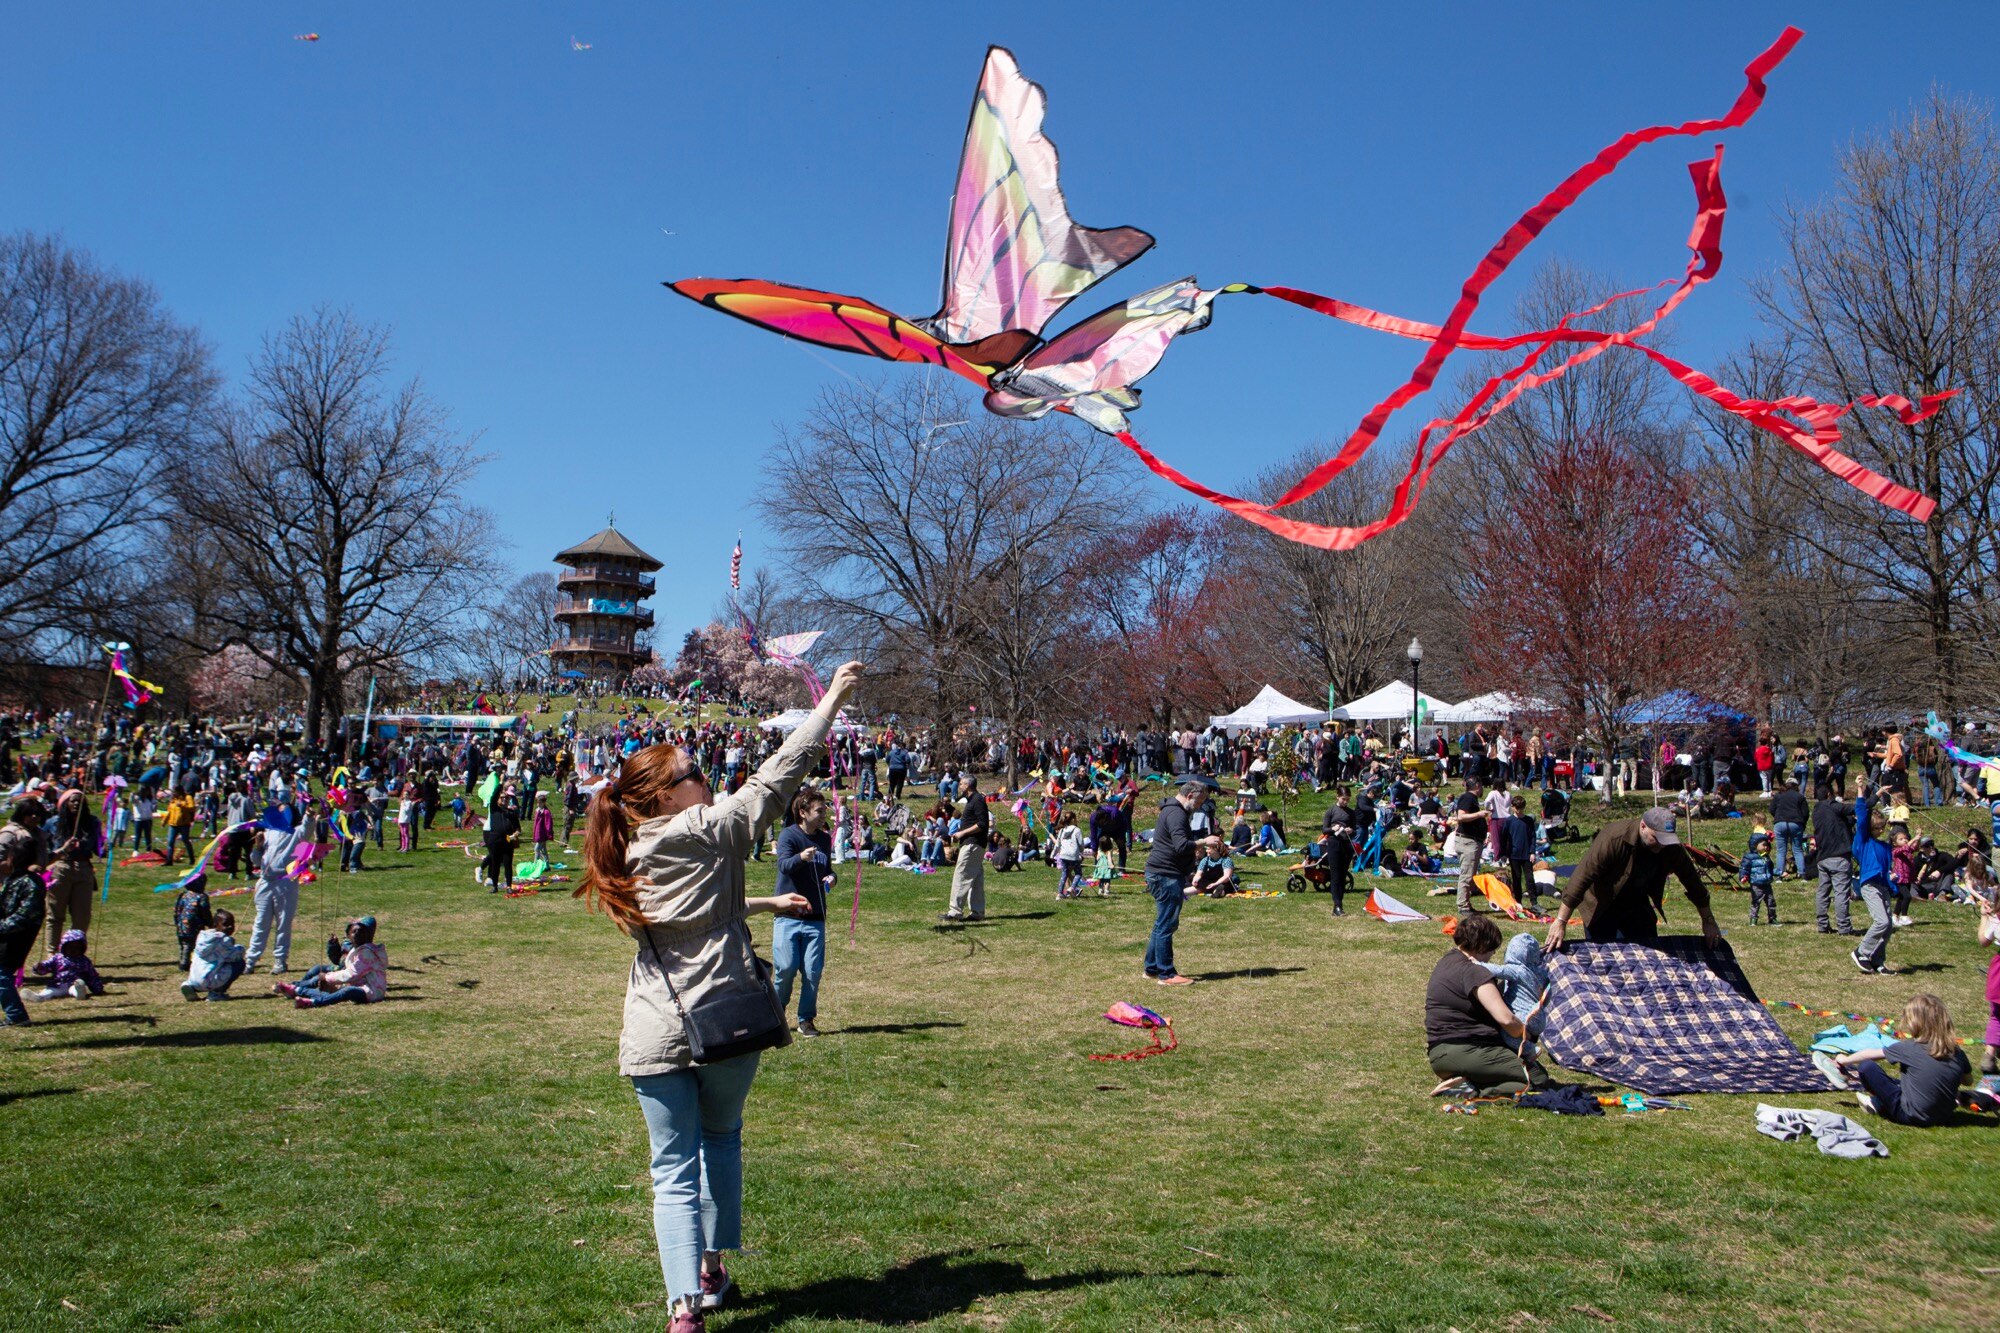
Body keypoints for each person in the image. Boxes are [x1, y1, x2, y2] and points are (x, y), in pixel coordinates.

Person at [575, 661, 856, 1331]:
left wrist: (756, 898)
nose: (706, 776)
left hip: (652, 1021)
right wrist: (832, 701)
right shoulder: (704, 828)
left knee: (670, 1166)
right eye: (693, 771)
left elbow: (690, 912)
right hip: (725, 1010)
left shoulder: (625, 846)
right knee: (721, 1136)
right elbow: (775, 779)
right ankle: (707, 1268)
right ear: (667, 796)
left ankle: (685, 1308)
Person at [1543, 808, 1721, 952]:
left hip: (1636, 903)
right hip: (1602, 903)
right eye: (1656, 839)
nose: (1661, 845)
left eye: (1666, 840)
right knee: (1605, 959)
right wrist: (1560, 922)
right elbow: (1581, 878)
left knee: (1648, 954)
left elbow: (1692, 881)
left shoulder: (1669, 847)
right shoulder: (1614, 838)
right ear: (1643, 826)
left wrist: (1708, 920)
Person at [1426, 914, 1551, 1094]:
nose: (1493, 954)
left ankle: (1465, 1081)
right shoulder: (1475, 972)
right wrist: (1528, 1035)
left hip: (1440, 1053)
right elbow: (1506, 1020)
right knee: (1538, 1080)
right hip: (1467, 1050)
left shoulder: (1447, 961)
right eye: (1492, 948)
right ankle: (1473, 1089)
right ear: (1482, 945)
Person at [1827, 994, 1971, 1125]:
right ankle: (1879, 1102)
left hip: (1909, 1114)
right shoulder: (1957, 1052)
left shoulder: (1910, 1048)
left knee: (1867, 1067)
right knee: (1904, 1082)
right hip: (1944, 1116)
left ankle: (1878, 1102)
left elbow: (1870, 1055)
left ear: (1915, 1023)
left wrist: (1845, 1060)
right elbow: (1968, 1081)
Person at [772, 789, 833, 1038]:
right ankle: (775, 1016)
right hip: (788, 915)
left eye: (824, 810)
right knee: (785, 968)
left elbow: (826, 868)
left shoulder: (825, 840)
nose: (823, 815)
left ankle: (806, 1020)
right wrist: (801, 857)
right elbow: (784, 866)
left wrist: (832, 877)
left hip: (815, 917)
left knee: (812, 971)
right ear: (803, 812)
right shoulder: (789, 835)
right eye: (819, 810)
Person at [1143, 782, 1205, 986]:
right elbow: (1181, 846)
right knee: (1166, 925)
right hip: (1165, 875)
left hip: (1165, 872)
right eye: (1199, 801)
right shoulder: (1177, 814)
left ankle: (1152, 968)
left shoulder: (1171, 810)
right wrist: (1204, 842)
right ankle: (1167, 974)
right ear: (1189, 795)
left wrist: (1187, 872)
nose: (1199, 806)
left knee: (1162, 922)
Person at [245, 806, 305, 975]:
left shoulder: (296, 832)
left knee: (283, 922)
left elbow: (307, 828)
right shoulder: (268, 832)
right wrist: (258, 846)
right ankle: (250, 960)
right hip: (265, 882)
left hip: (285, 883)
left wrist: (310, 815)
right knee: (261, 922)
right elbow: (256, 861)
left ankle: (280, 960)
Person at [279, 915, 388, 1008]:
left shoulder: (366, 953)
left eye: (362, 932)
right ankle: (296, 990)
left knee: (347, 991)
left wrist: (327, 977)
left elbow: (352, 974)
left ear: (369, 936)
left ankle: (313, 1001)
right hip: (356, 984)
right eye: (355, 932)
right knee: (327, 988)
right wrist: (333, 945)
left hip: (372, 992)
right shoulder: (354, 949)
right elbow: (336, 959)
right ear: (348, 936)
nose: (358, 934)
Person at [40, 789, 100, 954]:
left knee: (82, 916)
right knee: (55, 915)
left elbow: (97, 848)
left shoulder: (92, 822)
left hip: (83, 868)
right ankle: (52, 953)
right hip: (60, 867)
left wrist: (104, 848)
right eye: (72, 801)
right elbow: (42, 844)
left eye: (80, 802)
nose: (76, 804)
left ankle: (74, 953)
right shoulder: (53, 822)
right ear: (65, 803)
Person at [0, 837, 47, 1025]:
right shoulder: (14, 878)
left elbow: (25, 916)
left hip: (17, 937)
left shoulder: (31, 883)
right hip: (6, 934)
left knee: (1, 975)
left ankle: (17, 1016)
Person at [1851, 785, 1897, 975]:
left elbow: (1886, 870)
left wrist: (1892, 882)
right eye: (1876, 828)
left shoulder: (1885, 847)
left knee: (1888, 926)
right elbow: (1862, 814)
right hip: (1869, 885)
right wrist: (1862, 792)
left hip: (1883, 886)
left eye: (1882, 828)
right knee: (1881, 921)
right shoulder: (1863, 842)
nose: (1879, 831)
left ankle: (1877, 960)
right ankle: (1861, 951)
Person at [1812, 783, 1859, 936]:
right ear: (1828, 795)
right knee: (1841, 893)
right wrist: (1875, 795)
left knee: (1822, 892)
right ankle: (1844, 927)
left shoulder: (1817, 811)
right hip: (1838, 857)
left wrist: (1851, 820)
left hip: (1822, 858)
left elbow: (1841, 822)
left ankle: (1822, 925)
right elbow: (1856, 807)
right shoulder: (1832, 806)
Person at [944, 774, 989, 922]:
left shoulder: (977, 800)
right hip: (974, 844)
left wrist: (962, 833)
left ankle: (955, 911)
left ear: (968, 785)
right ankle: (977, 912)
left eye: (961, 784)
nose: (959, 786)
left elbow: (982, 824)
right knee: (976, 879)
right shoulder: (973, 801)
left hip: (972, 844)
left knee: (961, 875)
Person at [180, 908, 246, 1002]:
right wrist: (239, 947)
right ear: (216, 925)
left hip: (194, 979)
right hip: (208, 981)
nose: (230, 927)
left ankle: (189, 986)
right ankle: (216, 993)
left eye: (232, 924)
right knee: (240, 963)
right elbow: (234, 956)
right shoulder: (223, 941)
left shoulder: (203, 937)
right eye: (226, 924)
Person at [1446, 779, 1487, 916]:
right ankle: (1463, 906)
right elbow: (1461, 816)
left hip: (1473, 841)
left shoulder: (1472, 799)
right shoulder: (1467, 797)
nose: (1482, 789)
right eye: (1481, 785)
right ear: (1477, 785)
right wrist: (1479, 814)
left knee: (1470, 875)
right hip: (1468, 842)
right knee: (1467, 874)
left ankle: (1466, 903)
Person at [32, 928, 103, 1000]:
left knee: (76, 988)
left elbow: (92, 975)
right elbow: (47, 965)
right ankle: (39, 997)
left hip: (73, 984)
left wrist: (97, 988)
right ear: (64, 946)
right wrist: (39, 967)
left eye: (77, 947)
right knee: (50, 991)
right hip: (57, 985)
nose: (73, 949)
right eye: (70, 946)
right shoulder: (57, 958)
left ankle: (80, 993)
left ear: (82, 948)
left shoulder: (84, 961)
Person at [1501, 794, 1536, 910]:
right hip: (1514, 855)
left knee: (1530, 879)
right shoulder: (1509, 821)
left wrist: (1532, 852)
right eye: (1517, 808)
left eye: (1521, 808)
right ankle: (1518, 901)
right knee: (1516, 878)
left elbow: (1533, 837)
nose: (1519, 811)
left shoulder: (1529, 821)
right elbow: (1504, 838)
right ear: (1512, 807)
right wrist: (1504, 854)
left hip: (1526, 855)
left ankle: (1534, 902)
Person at [174, 871, 215, 970]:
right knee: (194, 945)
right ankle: (187, 962)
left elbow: (177, 910)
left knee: (184, 944)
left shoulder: (183, 895)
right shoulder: (201, 897)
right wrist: (210, 923)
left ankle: (184, 961)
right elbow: (205, 911)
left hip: (181, 926)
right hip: (195, 926)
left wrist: (177, 922)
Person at [1770, 779, 1810, 880]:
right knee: (1797, 849)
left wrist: (1778, 817)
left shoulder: (1778, 796)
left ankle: (1779, 874)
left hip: (1780, 823)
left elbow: (1771, 809)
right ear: (1796, 786)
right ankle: (1802, 873)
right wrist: (1803, 823)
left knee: (1781, 850)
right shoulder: (1800, 797)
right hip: (1796, 823)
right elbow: (1805, 813)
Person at [484, 790, 522, 894]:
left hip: (508, 842)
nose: (504, 799)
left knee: (508, 864)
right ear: (498, 799)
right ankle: (495, 886)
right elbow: (493, 796)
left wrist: (515, 834)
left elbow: (518, 828)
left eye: (506, 798)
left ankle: (509, 886)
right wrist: (500, 783)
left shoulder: (511, 813)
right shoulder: (494, 809)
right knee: (495, 864)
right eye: (502, 797)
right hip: (495, 841)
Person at [1740, 833, 1778, 926]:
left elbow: (1771, 869)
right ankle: (1753, 919)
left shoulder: (1766, 857)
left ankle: (1772, 918)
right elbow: (1744, 868)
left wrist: (1780, 872)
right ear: (1755, 845)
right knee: (1756, 902)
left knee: (1771, 902)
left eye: (1767, 845)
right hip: (1756, 884)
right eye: (1763, 845)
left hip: (1767, 884)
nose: (1766, 847)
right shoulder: (1749, 857)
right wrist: (1743, 876)